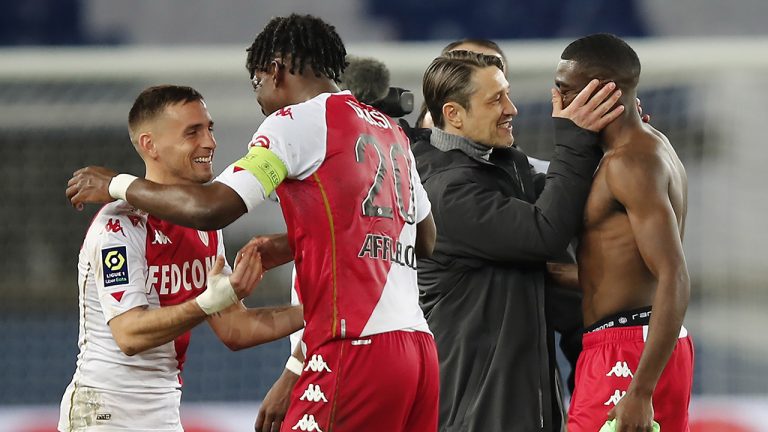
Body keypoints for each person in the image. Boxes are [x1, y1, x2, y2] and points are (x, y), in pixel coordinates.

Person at [66, 14, 439, 432]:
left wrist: (116, 183)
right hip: (417, 352)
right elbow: (424, 238)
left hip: (355, 345)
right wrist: (303, 270)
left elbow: (213, 207)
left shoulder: (294, 122)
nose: (211, 141)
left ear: (275, 71)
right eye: (194, 132)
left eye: (256, 84)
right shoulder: (390, 129)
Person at [58, 85, 304, 431]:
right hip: (104, 412)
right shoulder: (120, 226)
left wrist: (319, 311)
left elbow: (236, 328)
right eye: (193, 132)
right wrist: (205, 303)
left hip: (164, 413)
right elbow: (129, 335)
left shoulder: (204, 223)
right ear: (150, 145)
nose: (209, 142)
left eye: (210, 128)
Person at [413, 50, 624, 432]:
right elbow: (545, 231)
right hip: (474, 418)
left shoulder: (503, 168)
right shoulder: (447, 195)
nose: (512, 108)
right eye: (495, 99)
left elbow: (571, 201)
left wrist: (620, 142)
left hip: (519, 411)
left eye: (506, 94)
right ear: (454, 114)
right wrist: (573, 141)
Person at [551, 34, 693, 432]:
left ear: (604, 91)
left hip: (627, 351)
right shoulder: (648, 147)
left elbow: (673, 274)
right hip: (636, 341)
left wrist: (641, 391)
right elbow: (625, 269)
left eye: (565, 89)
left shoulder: (631, 161)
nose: (555, 101)